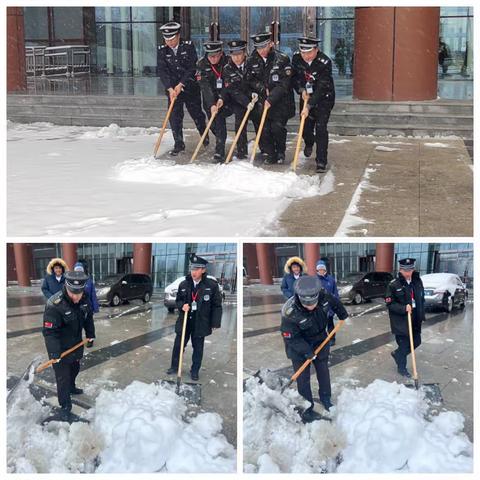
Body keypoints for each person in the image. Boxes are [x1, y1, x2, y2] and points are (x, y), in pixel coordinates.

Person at [280, 275, 348, 423]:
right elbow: (290, 337)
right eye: (307, 304)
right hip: (298, 346)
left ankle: (326, 397)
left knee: (323, 371)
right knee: (303, 378)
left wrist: (342, 313)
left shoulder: (323, 295)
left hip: (319, 340)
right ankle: (307, 407)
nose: (311, 306)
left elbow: (334, 301)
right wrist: (307, 352)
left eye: (313, 302)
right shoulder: (289, 312)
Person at [42, 271, 95, 419]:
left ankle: (72, 387)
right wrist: (54, 353)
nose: (76, 297)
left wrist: (90, 335)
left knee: (75, 369)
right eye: (73, 293)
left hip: (76, 345)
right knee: (63, 378)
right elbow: (49, 332)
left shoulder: (84, 298)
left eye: (79, 293)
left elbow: (88, 318)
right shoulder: (54, 304)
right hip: (60, 349)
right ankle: (65, 405)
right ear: (66, 286)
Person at [166, 254, 222, 381]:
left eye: (197, 269)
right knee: (178, 346)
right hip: (185, 320)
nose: (193, 272)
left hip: (201, 322)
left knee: (198, 348)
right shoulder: (184, 284)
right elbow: (178, 300)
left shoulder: (211, 286)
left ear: (203, 270)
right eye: (192, 269)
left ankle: (195, 370)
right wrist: (182, 306)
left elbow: (217, 306)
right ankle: (175, 367)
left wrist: (215, 323)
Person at [157, 21, 207, 156]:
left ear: (178, 36)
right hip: (173, 90)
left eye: (172, 39)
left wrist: (181, 84)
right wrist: (170, 88)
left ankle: (205, 136)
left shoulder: (188, 47)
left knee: (197, 114)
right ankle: (178, 143)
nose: (170, 42)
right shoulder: (162, 50)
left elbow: (192, 68)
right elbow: (162, 71)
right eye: (167, 39)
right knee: (174, 117)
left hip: (189, 87)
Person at [245, 32, 295, 164]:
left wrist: (271, 98)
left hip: (280, 101)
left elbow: (284, 84)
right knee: (264, 129)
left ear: (270, 44)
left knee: (277, 128)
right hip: (261, 100)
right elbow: (249, 80)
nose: (261, 51)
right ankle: (269, 153)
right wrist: (261, 88)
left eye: (264, 47)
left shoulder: (282, 59)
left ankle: (280, 152)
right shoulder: (251, 60)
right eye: (258, 48)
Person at [292, 37, 335, 173]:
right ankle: (309, 142)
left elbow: (322, 87)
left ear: (316, 50)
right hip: (306, 96)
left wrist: (309, 106)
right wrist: (300, 89)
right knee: (305, 126)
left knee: (321, 128)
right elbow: (295, 78)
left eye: (309, 52)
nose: (305, 56)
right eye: (303, 52)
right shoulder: (297, 59)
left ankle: (321, 161)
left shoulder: (324, 62)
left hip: (323, 99)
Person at [385, 258, 426, 378]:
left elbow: (421, 298)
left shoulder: (418, 281)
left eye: (410, 270)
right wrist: (403, 308)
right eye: (405, 270)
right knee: (404, 345)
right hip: (401, 321)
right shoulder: (394, 285)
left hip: (415, 319)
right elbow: (390, 304)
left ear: (413, 269)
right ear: (400, 270)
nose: (408, 273)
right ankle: (402, 368)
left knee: (417, 341)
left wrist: (421, 312)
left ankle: (397, 354)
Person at [196, 41, 232, 162]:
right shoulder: (201, 64)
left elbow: (229, 81)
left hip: (226, 96)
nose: (213, 59)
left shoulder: (228, 62)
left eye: (216, 56)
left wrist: (222, 97)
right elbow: (205, 87)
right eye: (211, 56)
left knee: (220, 120)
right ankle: (221, 137)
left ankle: (219, 151)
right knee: (213, 125)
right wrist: (212, 104)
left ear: (221, 53)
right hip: (209, 98)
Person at [221, 40, 255, 160]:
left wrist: (254, 96)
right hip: (239, 101)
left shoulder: (253, 64)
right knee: (239, 125)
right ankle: (242, 152)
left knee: (261, 123)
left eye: (239, 54)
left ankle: (265, 148)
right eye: (233, 55)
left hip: (255, 98)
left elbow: (256, 81)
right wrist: (246, 102)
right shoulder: (227, 69)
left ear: (244, 53)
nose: (236, 57)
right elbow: (232, 89)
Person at [315, 260, 339, 345]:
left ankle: (332, 339)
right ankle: (321, 340)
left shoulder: (330, 279)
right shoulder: (315, 280)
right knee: (320, 326)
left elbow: (335, 293)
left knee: (330, 324)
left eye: (322, 269)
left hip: (329, 307)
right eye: (319, 269)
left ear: (325, 270)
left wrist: (335, 306)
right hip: (318, 307)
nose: (321, 271)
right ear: (317, 270)